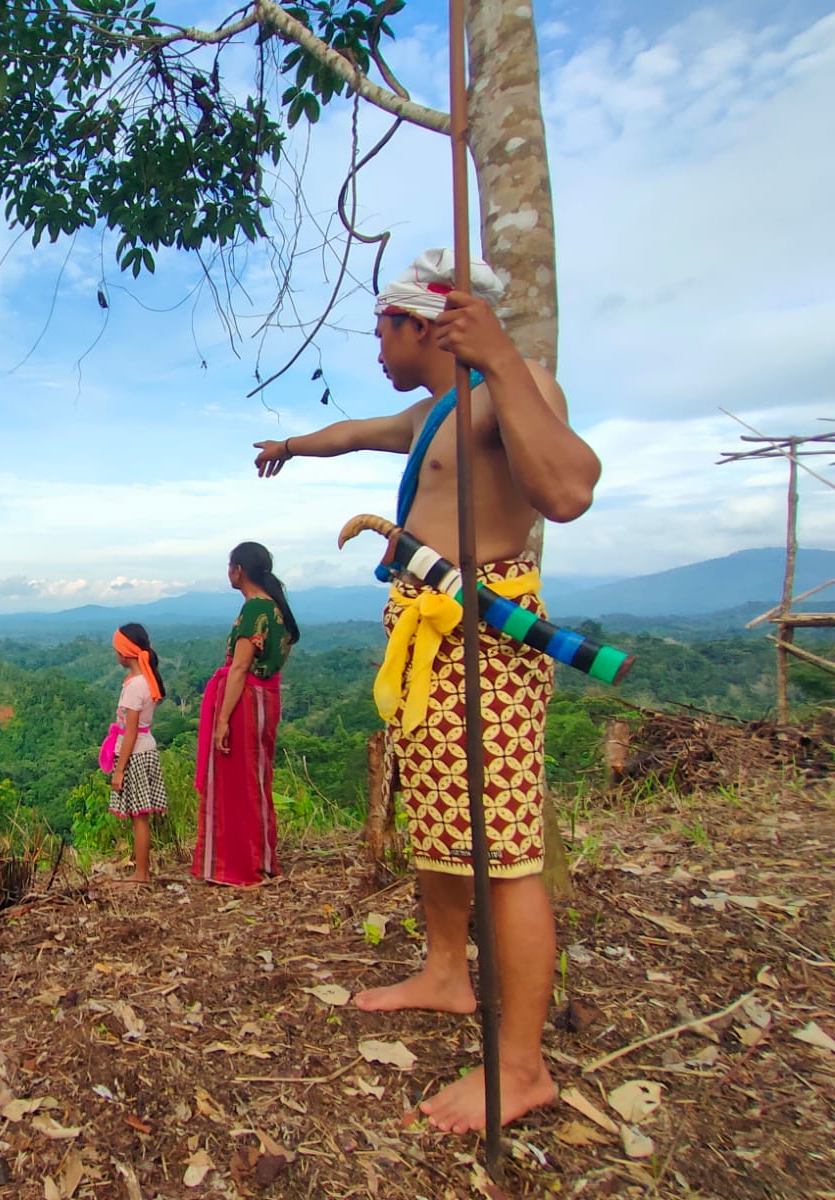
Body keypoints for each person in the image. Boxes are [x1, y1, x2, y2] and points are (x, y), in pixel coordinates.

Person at [251, 248, 601, 1133]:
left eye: (382, 327)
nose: (375, 342)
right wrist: (292, 445)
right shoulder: (434, 415)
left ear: (424, 324)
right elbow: (357, 431)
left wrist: (503, 358)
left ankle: (520, 1067)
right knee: (442, 823)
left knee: (505, 851)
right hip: (428, 651)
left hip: (484, 642)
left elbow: (567, 487)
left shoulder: (514, 391)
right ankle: (449, 972)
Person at [193, 542, 298, 887]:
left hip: (244, 702)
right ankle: (260, 858)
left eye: (230, 566)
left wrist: (222, 720)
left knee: (236, 783)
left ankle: (236, 865)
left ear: (239, 570)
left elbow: (239, 668)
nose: (228, 573)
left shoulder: (255, 610)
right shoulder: (276, 609)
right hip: (266, 699)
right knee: (256, 778)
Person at [100, 624, 169, 884]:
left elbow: (130, 733)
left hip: (135, 754)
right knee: (140, 816)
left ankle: (142, 874)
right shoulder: (146, 680)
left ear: (126, 653)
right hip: (146, 748)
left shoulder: (134, 687)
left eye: (117, 650)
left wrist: (119, 770)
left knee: (139, 818)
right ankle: (141, 870)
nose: (115, 655)